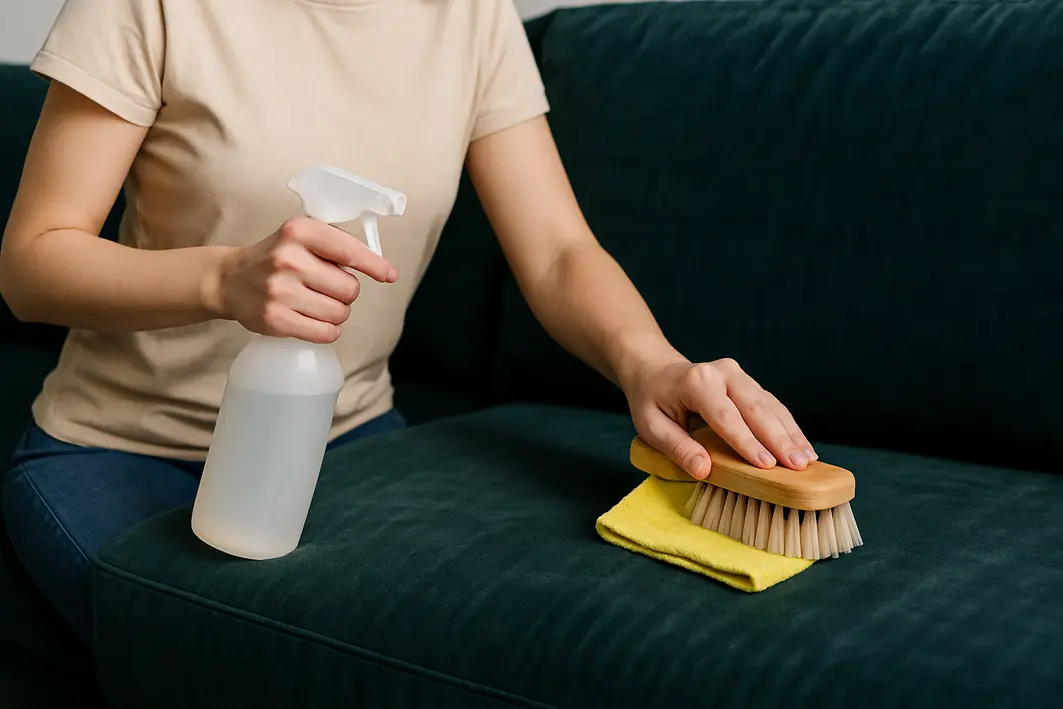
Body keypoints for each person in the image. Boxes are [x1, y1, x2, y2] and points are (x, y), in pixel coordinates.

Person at [0, 0, 818, 648]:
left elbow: (558, 251)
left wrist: (649, 362)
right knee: (218, 652)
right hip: (119, 447)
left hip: (348, 439)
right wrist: (222, 278)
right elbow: (31, 265)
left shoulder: (467, 16)